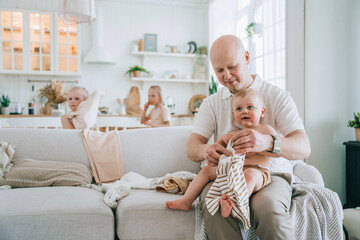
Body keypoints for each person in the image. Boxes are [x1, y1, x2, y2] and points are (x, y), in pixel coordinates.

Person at [186, 35, 311, 240]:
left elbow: (304, 147)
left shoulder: (277, 96)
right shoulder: (211, 103)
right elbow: (192, 147)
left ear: (246, 57)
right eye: (219, 70)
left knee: (268, 208)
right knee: (214, 204)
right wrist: (206, 150)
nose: (226, 76)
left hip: (269, 175)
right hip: (226, 173)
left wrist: (269, 143)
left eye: (232, 67)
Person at [166, 89, 277, 229]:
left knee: (249, 175)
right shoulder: (233, 134)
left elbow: (277, 152)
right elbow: (218, 149)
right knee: (207, 170)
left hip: (258, 171)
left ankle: (235, 204)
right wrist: (221, 142)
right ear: (233, 114)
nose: (244, 111)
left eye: (250, 107)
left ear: (262, 112)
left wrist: (261, 145)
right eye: (239, 108)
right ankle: (187, 200)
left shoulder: (265, 130)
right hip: (233, 170)